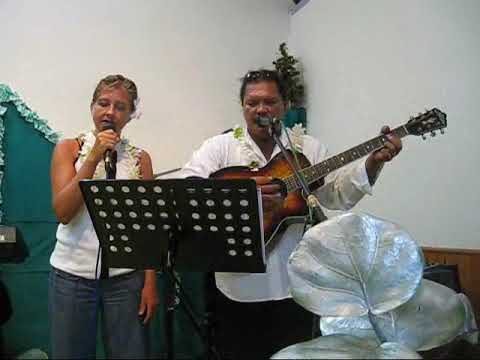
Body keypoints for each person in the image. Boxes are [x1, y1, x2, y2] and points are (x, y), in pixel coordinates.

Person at [179, 69, 402, 359]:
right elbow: (187, 187)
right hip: (237, 288)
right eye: (252, 102)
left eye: (270, 101)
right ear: (243, 107)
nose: (261, 109)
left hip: (294, 287)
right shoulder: (220, 147)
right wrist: (242, 195)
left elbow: (336, 194)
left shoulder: (308, 148)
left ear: (285, 105)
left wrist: (373, 163)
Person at [49, 74, 159, 359]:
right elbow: (63, 212)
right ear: (92, 106)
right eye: (103, 103)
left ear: (130, 114)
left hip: (126, 279)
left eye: (121, 107)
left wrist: (149, 282)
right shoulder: (68, 149)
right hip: (72, 276)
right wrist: (93, 157)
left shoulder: (139, 159)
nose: (110, 112)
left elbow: (149, 227)